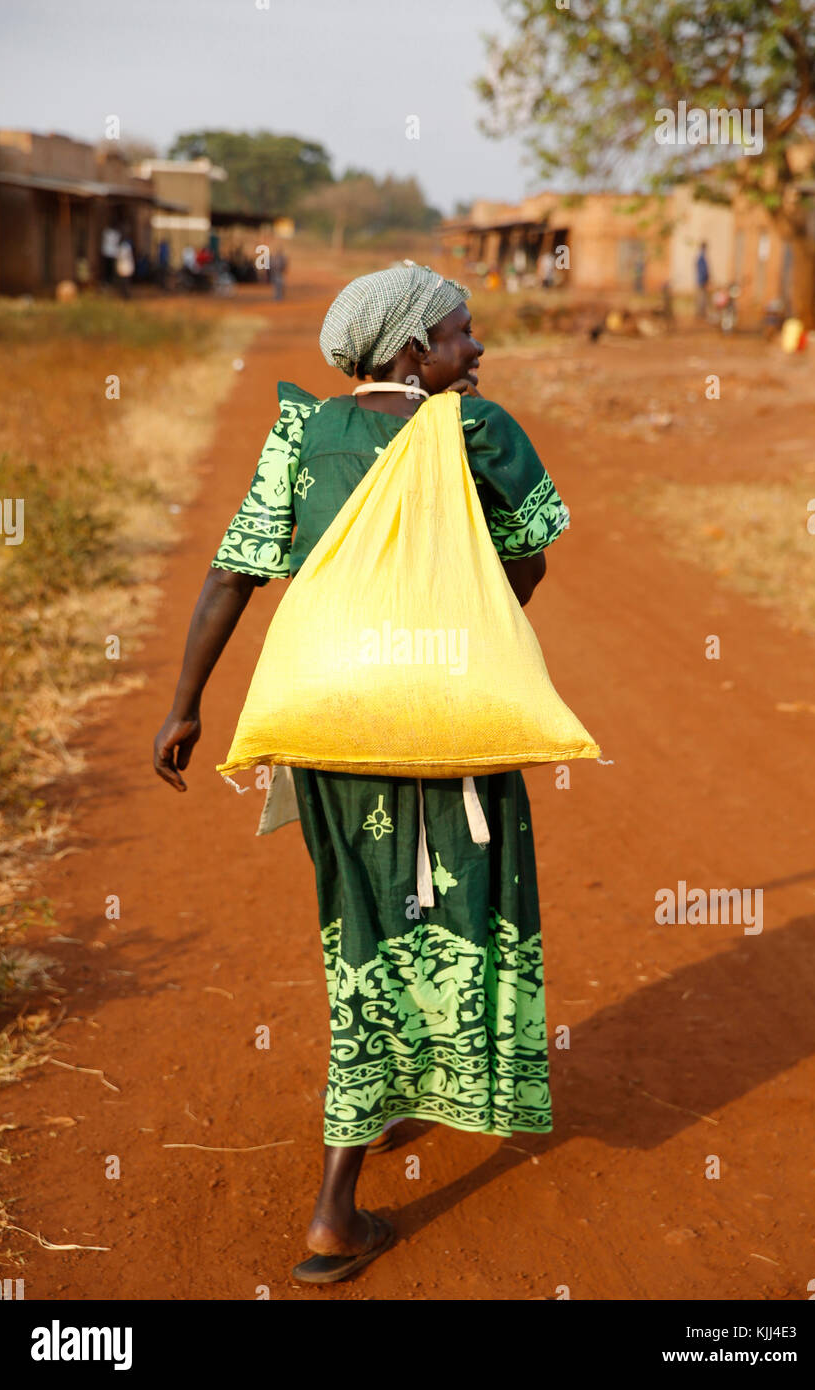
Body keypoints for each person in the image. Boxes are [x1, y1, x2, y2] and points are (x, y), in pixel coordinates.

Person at [153, 261, 571, 1284]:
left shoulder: (300, 435)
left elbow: (234, 570)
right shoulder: (475, 432)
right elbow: (533, 554)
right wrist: (464, 626)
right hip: (451, 718)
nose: (479, 350)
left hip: (330, 726)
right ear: (410, 353)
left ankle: (394, 1094)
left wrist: (185, 704)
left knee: (365, 929)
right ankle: (334, 1214)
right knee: (449, 912)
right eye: (462, 334)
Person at [115, 233, 135, 299]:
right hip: (124, 266)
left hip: (125, 266)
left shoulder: (124, 247)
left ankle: (126, 294)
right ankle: (124, 294)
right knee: (124, 281)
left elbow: (121, 257)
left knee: (125, 281)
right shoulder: (124, 247)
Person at [695, 241, 710, 320]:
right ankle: (700, 313)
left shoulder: (701, 256)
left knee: (702, 297)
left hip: (701, 280)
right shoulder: (701, 256)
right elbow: (703, 270)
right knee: (701, 297)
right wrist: (704, 279)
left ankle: (701, 312)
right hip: (701, 281)